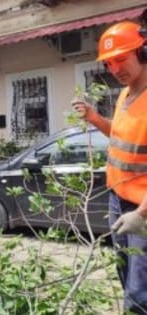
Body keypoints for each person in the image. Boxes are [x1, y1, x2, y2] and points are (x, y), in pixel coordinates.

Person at [72, 21, 147, 314]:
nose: (115, 69)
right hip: (118, 200)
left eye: (121, 59)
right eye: (110, 63)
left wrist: (140, 214)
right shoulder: (127, 94)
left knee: (140, 292)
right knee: (125, 275)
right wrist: (94, 118)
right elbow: (119, 135)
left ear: (142, 52)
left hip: (141, 209)